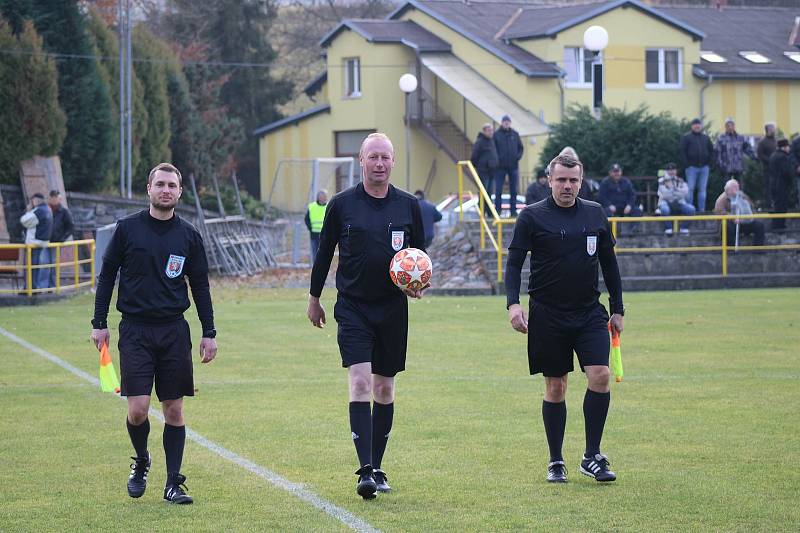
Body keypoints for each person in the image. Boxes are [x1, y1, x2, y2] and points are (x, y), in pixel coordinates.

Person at [307, 133, 426, 500]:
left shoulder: (408, 205)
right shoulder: (342, 205)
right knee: (360, 383)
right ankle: (365, 471)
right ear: (361, 160)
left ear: (393, 162)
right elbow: (325, 254)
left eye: (385, 157)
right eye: (372, 156)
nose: (379, 163)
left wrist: (417, 283)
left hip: (392, 309)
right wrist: (314, 299)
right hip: (353, 306)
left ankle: (376, 464)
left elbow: (419, 256)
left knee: (385, 388)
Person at [91, 162, 218, 505]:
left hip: (174, 330)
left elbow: (201, 287)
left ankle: (173, 482)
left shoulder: (189, 235)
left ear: (179, 192)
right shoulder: (127, 229)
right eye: (159, 184)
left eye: (171, 186)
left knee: (174, 409)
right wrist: (98, 322)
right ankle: (142, 459)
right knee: (138, 409)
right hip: (135, 330)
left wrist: (209, 332)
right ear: (148, 189)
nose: (165, 190)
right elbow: (107, 276)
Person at [505, 146, 624, 484]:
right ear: (549, 181)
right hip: (548, 314)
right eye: (561, 180)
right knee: (556, 386)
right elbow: (514, 264)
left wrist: (618, 309)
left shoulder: (596, 214)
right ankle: (556, 460)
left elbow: (610, 265)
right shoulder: (532, 216)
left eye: (573, 180)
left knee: (600, 376)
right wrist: (513, 305)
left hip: (588, 312)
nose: (567, 186)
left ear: (582, 181)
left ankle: (592, 455)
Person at [713, 179, 765, 247]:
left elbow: (751, 208)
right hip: (732, 223)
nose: (736, 189)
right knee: (726, 226)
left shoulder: (743, 196)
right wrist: (733, 218)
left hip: (744, 221)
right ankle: (730, 248)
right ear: (728, 189)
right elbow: (720, 213)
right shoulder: (721, 199)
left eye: (737, 187)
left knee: (759, 225)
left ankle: (758, 248)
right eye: (734, 187)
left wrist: (749, 216)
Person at [19, 192, 53, 290]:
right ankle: (34, 287)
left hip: (34, 243)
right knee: (35, 267)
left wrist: (29, 210)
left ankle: (30, 288)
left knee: (30, 267)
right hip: (43, 242)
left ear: (36, 200)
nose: (31, 203)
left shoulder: (38, 211)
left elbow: (24, 220)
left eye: (32, 201)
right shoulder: (48, 209)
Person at [680, 118, 714, 211]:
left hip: (704, 168)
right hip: (691, 168)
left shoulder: (706, 138)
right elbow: (682, 151)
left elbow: (711, 151)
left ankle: (701, 210)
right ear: (692, 126)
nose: (697, 126)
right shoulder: (686, 137)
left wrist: (709, 164)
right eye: (695, 124)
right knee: (690, 189)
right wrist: (687, 165)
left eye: (698, 124)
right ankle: (689, 209)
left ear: (701, 126)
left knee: (702, 190)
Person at [493, 115, 524, 217]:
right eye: (504, 122)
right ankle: (497, 210)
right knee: (498, 190)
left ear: (510, 123)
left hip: (513, 166)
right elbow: (493, 149)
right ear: (501, 123)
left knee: (513, 190)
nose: (506, 123)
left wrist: (517, 157)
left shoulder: (515, 134)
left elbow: (520, 148)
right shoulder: (496, 135)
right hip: (500, 167)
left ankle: (513, 211)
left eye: (508, 122)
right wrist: (498, 159)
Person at [656, 163, 695, 235]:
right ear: (666, 171)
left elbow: (685, 192)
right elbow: (665, 195)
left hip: (679, 202)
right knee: (665, 209)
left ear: (676, 171)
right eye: (669, 170)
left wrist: (673, 189)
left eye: (673, 169)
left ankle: (684, 228)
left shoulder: (680, 180)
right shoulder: (661, 180)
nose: (671, 171)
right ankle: (669, 228)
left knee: (691, 209)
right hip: (665, 202)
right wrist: (677, 192)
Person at [714, 117, 755, 182]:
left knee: (739, 188)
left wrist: (754, 157)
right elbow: (717, 152)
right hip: (726, 167)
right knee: (727, 188)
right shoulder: (721, 138)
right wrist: (720, 164)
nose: (730, 127)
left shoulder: (740, 138)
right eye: (728, 125)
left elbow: (748, 149)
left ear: (734, 126)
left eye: (731, 125)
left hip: (738, 167)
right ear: (726, 127)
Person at [47, 190, 75, 286]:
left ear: (59, 199)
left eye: (56, 198)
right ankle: (46, 285)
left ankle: (52, 285)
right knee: (45, 264)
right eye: (52, 197)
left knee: (52, 264)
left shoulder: (64, 211)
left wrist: (62, 238)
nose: (54, 200)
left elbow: (71, 226)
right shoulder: (47, 209)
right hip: (44, 241)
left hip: (56, 242)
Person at [470, 123, 499, 214]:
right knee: (483, 192)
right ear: (484, 131)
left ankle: (489, 212)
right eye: (489, 130)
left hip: (492, 171)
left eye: (492, 130)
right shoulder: (480, 142)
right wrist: (480, 167)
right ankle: (482, 211)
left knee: (489, 193)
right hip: (483, 171)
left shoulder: (492, 141)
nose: (491, 132)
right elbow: (474, 157)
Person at [768, 138, 794, 231]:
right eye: (788, 146)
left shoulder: (773, 155)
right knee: (781, 206)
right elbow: (786, 172)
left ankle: (776, 225)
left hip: (773, 184)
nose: (789, 148)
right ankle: (780, 226)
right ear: (784, 147)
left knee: (776, 205)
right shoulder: (783, 157)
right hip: (781, 185)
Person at [756, 122, 777, 208]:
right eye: (772, 128)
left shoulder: (776, 140)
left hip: (777, 169)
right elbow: (760, 155)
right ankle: (768, 205)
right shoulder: (762, 142)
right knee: (768, 186)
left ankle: (775, 203)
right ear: (767, 129)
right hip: (767, 168)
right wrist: (770, 160)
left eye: (774, 128)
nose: (773, 130)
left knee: (776, 186)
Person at [305, 189, 328, 263]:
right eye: (320, 196)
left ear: (326, 197)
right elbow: (306, 219)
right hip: (314, 234)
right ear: (318, 197)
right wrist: (310, 228)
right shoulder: (312, 206)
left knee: (324, 252)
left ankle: (323, 266)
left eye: (323, 196)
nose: (322, 198)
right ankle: (315, 267)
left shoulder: (329, 206)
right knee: (315, 252)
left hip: (325, 235)